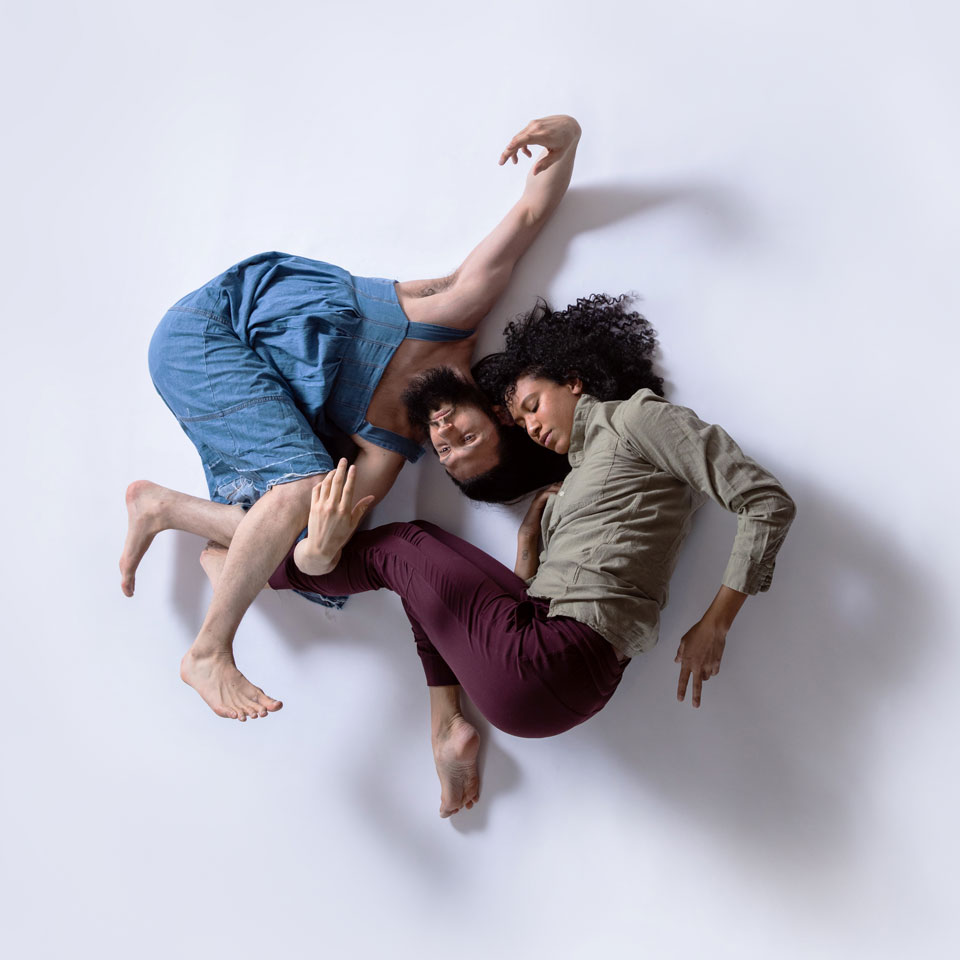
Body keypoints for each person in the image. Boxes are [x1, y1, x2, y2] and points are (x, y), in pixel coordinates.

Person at [143, 299, 796, 817]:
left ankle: (259, 565)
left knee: (406, 544)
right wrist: (528, 555)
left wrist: (717, 621)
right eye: (520, 418)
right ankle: (446, 728)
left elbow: (765, 501)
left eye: (534, 403)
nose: (532, 424)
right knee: (423, 577)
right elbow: (577, 582)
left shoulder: (640, 421)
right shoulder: (577, 477)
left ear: (574, 380)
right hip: (558, 672)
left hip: (559, 663)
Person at [120, 114, 583, 723]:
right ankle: (207, 646)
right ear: (495, 413)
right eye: (467, 434)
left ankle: (162, 509)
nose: (442, 432)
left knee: (307, 518)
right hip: (208, 328)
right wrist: (568, 138)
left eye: (447, 452)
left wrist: (322, 550)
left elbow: (314, 554)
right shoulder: (454, 313)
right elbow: (527, 216)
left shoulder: (387, 451)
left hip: (223, 369)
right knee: (303, 494)